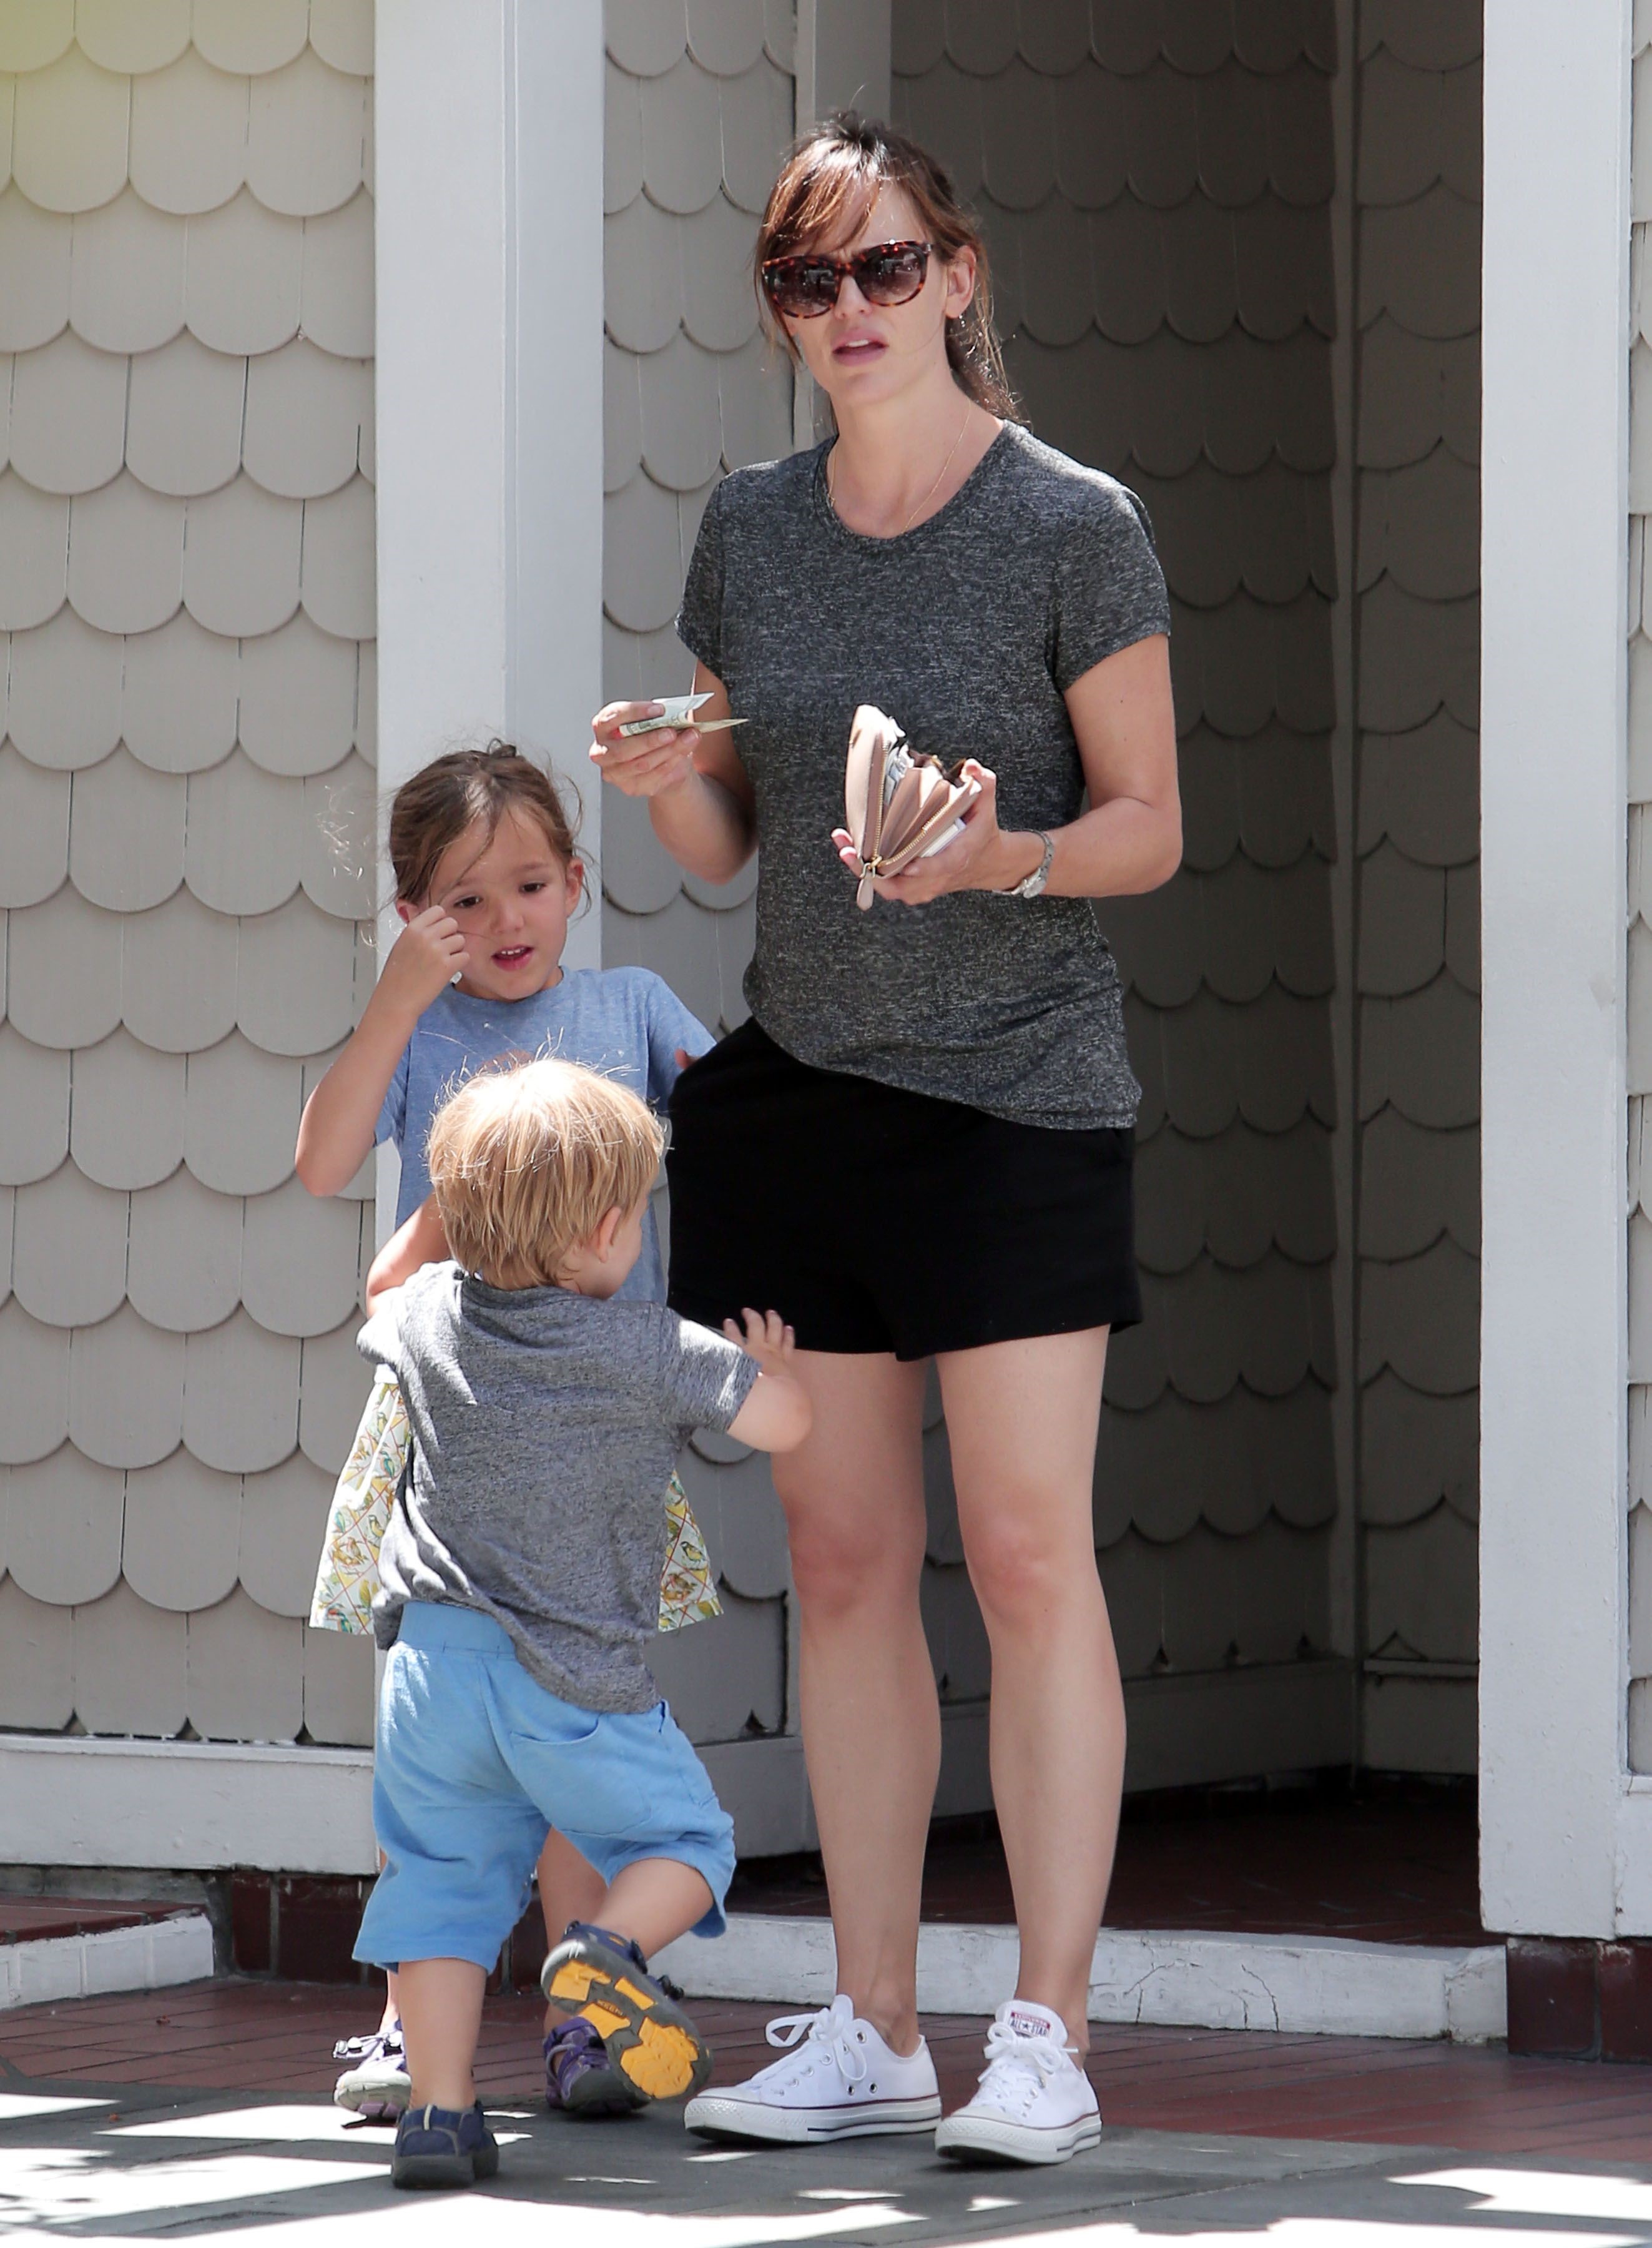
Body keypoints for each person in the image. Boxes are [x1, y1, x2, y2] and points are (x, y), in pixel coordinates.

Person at [588, 113, 1181, 2167]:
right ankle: (866, 2023)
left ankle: (1045, 2033)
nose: (846, 312)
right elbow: (730, 840)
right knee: (837, 1567)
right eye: (802, 281)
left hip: (1015, 1105)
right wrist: (668, 775)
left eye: (881, 269)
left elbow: (1143, 827)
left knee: (1020, 1561)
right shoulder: (747, 528)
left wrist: (992, 858)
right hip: (801, 1103)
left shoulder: (1069, 524)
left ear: (958, 273)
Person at [294, 743, 717, 2120]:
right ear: (415, 914)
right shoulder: (419, 1027)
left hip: (596, 1429)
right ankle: (422, 2036)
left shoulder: (630, 1004)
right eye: (463, 902)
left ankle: (580, 2024)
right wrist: (394, 997)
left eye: (530, 884)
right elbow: (321, 1161)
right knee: (455, 1740)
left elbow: (737, 1130)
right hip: (452, 1435)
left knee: (574, 1728)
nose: (505, 921)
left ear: (578, 882)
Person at [351, 1057, 811, 2188]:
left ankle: (438, 2117)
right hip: (571, 1680)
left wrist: (452, 1211)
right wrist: (767, 1367)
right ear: (609, 1228)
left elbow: (381, 1287)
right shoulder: (651, 1346)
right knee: (688, 1844)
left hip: (433, 1669)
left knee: (444, 1885)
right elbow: (787, 1427)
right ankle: (602, 1951)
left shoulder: (421, 1321)